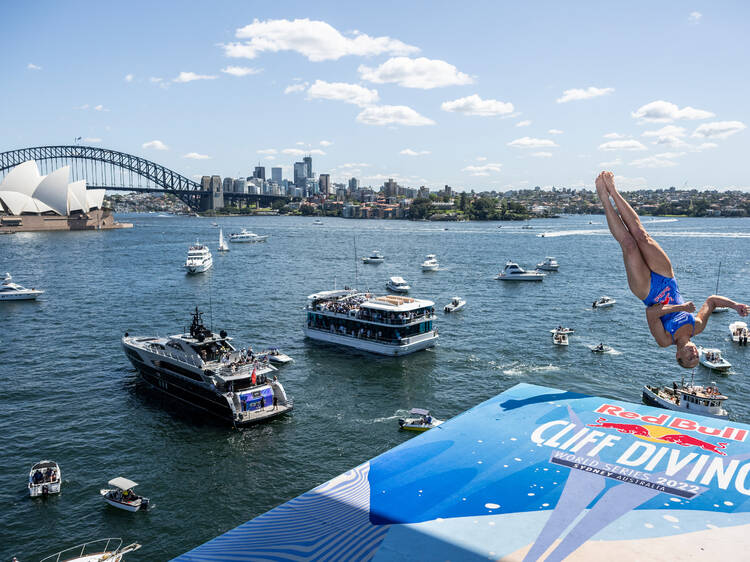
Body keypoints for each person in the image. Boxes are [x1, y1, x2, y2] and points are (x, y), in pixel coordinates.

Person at [595, 171, 748, 368]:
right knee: (642, 235)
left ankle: (604, 199)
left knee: (629, 245)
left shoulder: (665, 340)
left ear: (678, 356)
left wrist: (681, 308)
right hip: (667, 279)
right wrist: (736, 306)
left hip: (647, 290)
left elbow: (651, 313)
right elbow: (712, 301)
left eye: (690, 358)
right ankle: (613, 192)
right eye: (696, 356)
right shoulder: (697, 326)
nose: (694, 353)